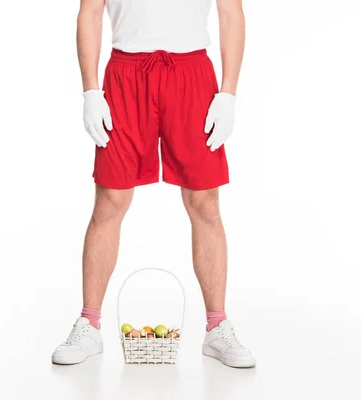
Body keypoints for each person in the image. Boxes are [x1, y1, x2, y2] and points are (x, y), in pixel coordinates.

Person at [51, 0, 255, 368]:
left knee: (205, 201)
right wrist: (90, 90)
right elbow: (90, 11)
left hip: (191, 72)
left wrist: (228, 93)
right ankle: (89, 324)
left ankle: (217, 326)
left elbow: (231, 12)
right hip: (127, 73)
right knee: (110, 199)